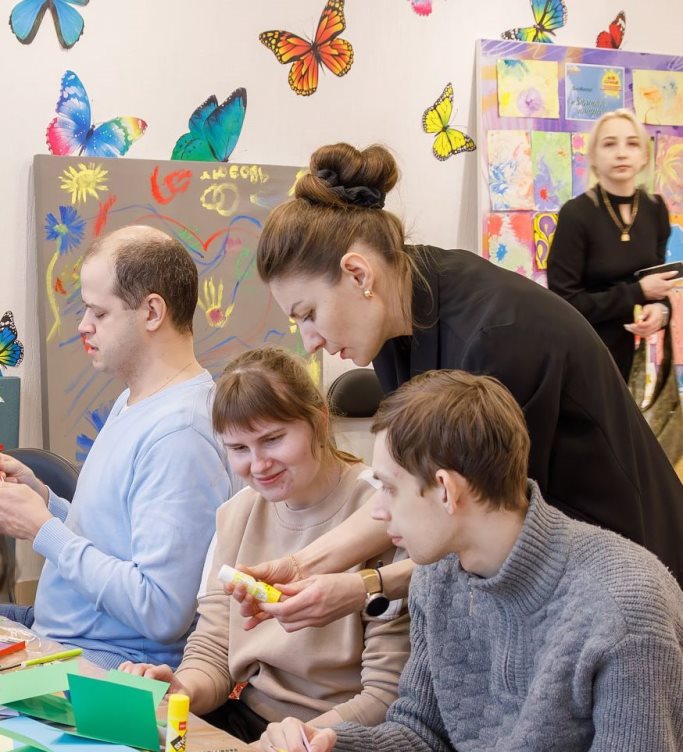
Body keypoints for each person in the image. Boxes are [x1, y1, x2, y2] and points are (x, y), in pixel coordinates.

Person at [261, 370, 683, 752]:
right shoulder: (440, 573)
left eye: (388, 488)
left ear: (446, 489)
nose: (378, 512)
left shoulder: (625, 607)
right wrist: (329, 746)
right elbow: (426, 738)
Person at [226, 139, 683, 633]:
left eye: (309, 314)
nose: (310, 341)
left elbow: (478, 523)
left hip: (619, 569)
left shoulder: (494, 338)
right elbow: (413, 488)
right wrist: (304, 564)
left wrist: (365, 586)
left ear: (358, 274)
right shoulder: (394, 314)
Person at [120, 347, 409, 741]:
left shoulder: (387, 511)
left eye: (272, 439)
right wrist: (181, 692)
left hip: (339, 738)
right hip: (249, 724)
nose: (257, 466)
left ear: (319, 422)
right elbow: (213, 649)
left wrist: (289, 741)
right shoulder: (236, 514)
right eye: (238, 449)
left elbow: (385, 696)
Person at [0, 226, 231, 669]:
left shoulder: (180, 435)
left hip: (109, 658)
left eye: (99, 312)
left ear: (152, 312)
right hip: (60, 631)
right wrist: (45, 503)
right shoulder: (136, 400)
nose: (83, 326)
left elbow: (160, 610)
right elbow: (114, 540)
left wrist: (43, 530)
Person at [547, 109, 675, 382]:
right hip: (581, 352)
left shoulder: (655, 209)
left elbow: (657, 286)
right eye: (609, 144)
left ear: (644, 155)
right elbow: (564, 303)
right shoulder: (577, 214)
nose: (621, 153)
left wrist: (660, 311)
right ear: (593, 157)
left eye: (632, 143)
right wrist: (637, 292)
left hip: (629, 355)